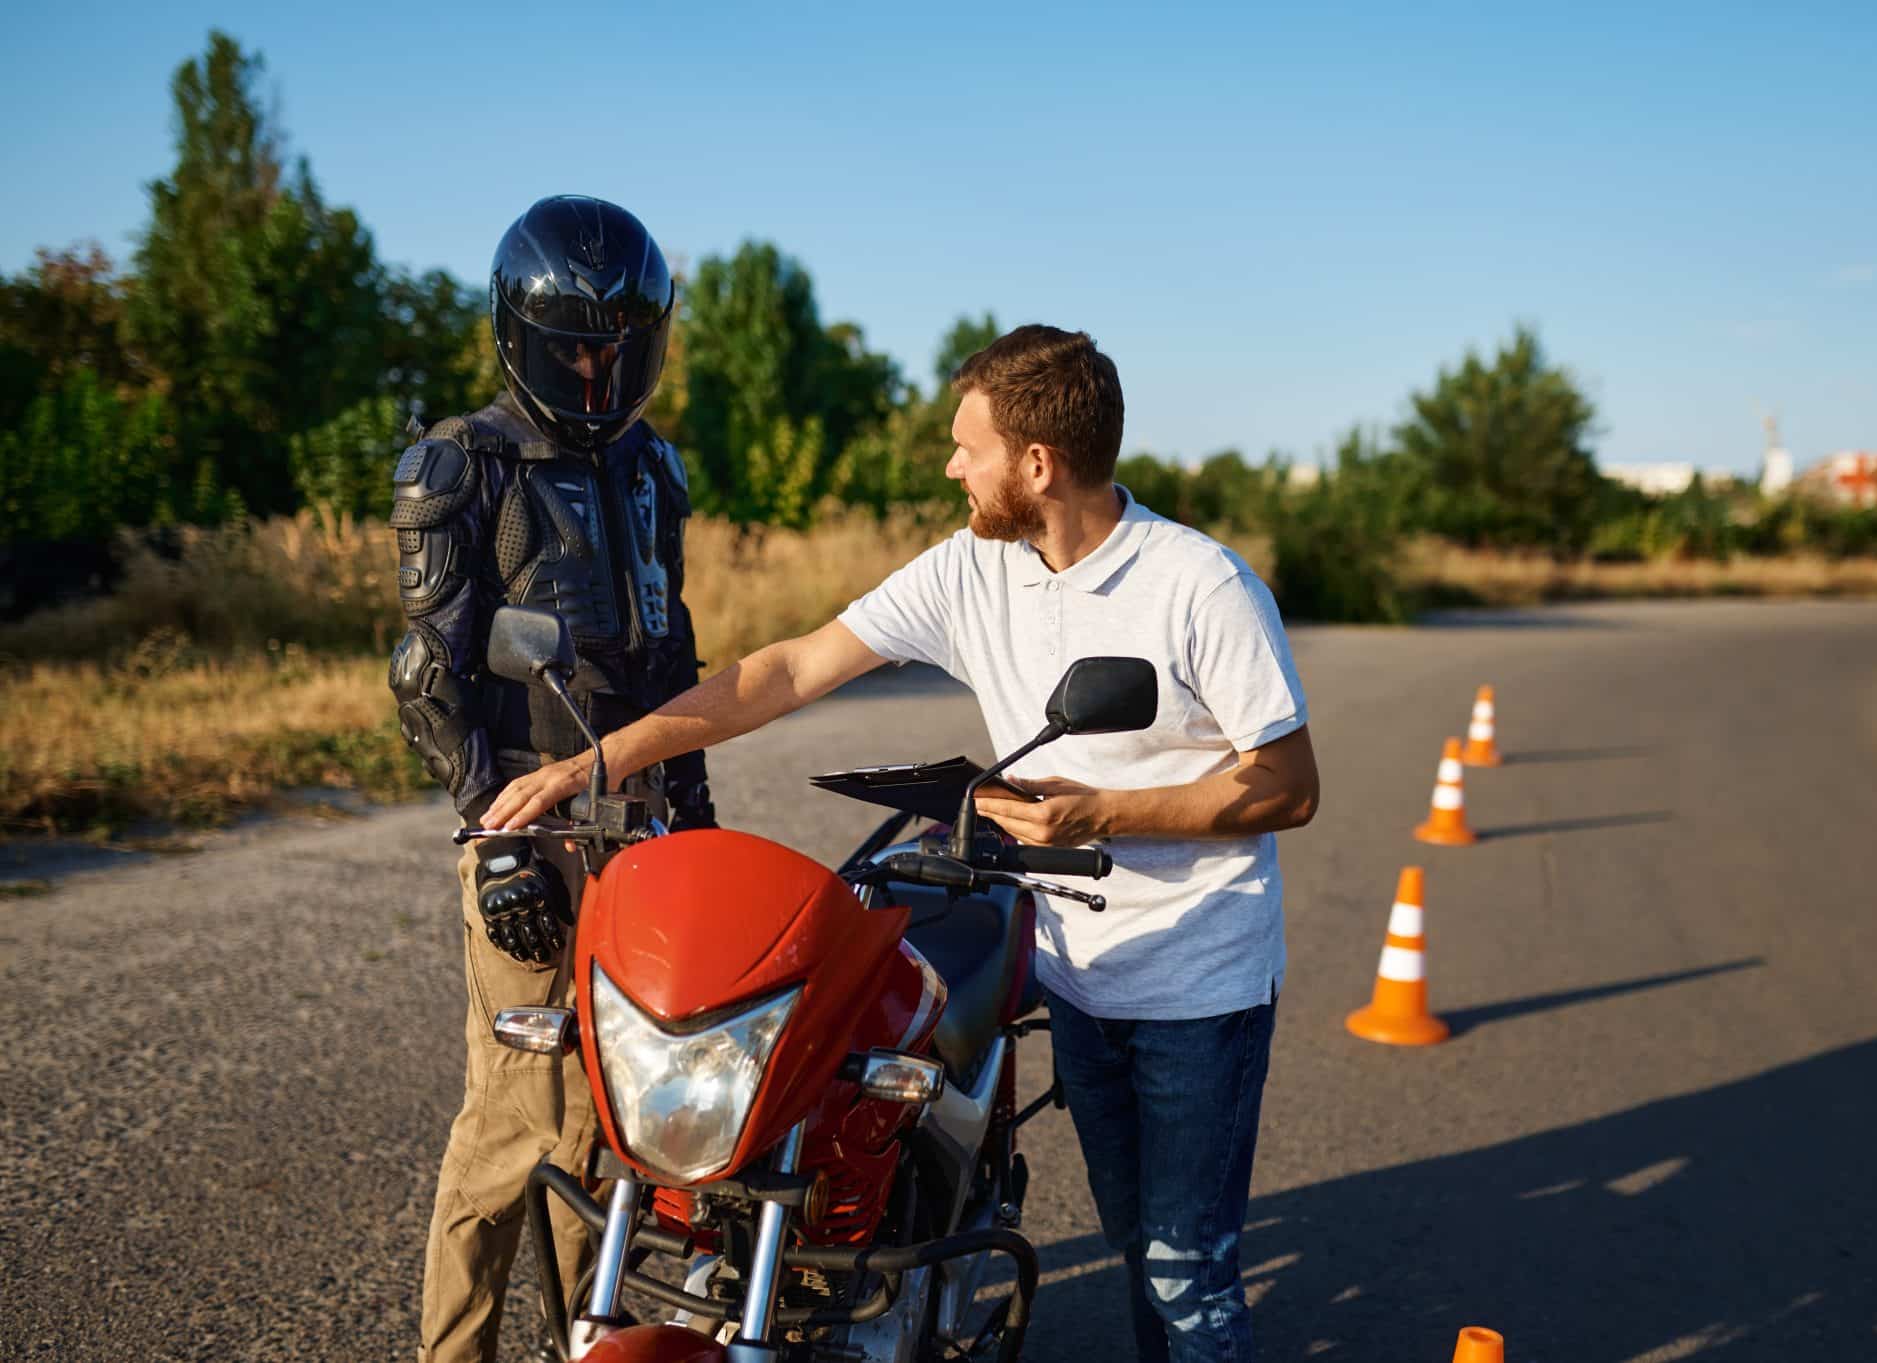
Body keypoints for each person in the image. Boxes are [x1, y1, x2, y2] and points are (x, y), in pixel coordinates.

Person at [482, 324, 1318, 1361]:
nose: (949, 465)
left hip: (1197, 981)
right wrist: (601, 760)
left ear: (1036, 463)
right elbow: (789, 669)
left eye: (966, 446)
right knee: (1132, 1235)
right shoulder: (975, 568)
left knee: (1183, 1268)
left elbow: (1287, 786)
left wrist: (1099, 813)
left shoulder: (1200, 586)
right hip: (1074, 969)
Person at [389, 194, 717, 1363]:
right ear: (520, 332)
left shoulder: (652, 468)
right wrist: (493, 839)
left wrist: (698, 820)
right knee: (512, 1121)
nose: (595, 364)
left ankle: (591, 1340)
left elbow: (672, 652)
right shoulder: (459, 460)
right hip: (527, 812)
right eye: (576, 340)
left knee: (621, 1115)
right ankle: (454, 1352)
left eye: (618, 344)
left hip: (641, 823)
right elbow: (427, 670)